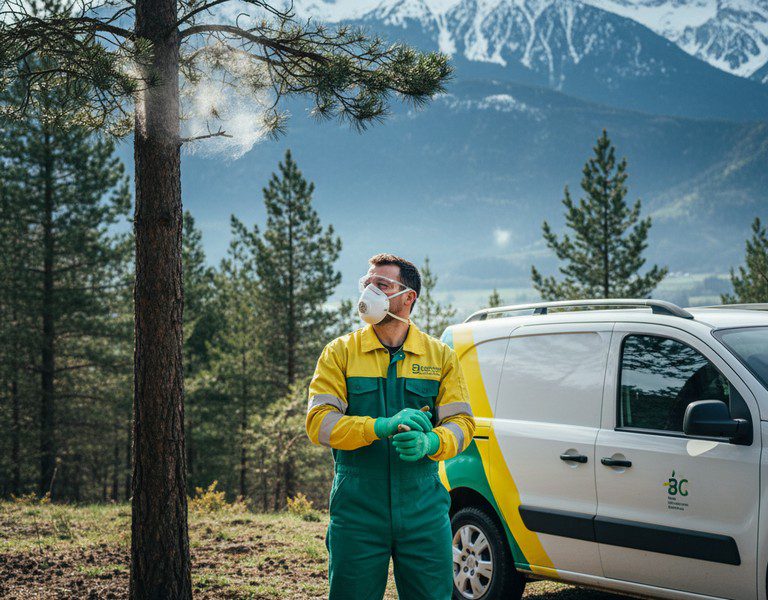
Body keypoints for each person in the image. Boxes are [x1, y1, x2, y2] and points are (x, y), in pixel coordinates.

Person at [305, 253, 475, 600]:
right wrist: (378, 427)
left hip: (423, 508)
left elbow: (462, 424)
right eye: (367, 284)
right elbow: (319, 423)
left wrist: (432, 443)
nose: (370, 292)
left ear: (408, 297)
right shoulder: (340, 353)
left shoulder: (440, 356)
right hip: (357, 510)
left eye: (382, 285)